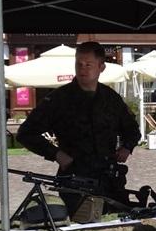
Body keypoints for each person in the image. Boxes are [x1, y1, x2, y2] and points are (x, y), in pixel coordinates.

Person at [16, 41, 140, 215]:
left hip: (109, 179)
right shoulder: (59, 99)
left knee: (115, 223)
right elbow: (26, 133)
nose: (82, 69)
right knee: (80, 224)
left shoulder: (111, 99)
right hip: (75, 178)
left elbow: (132, 129)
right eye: (79, 64)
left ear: (101, 67)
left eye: (88, 65)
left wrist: (127, 146)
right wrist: (56, 154)